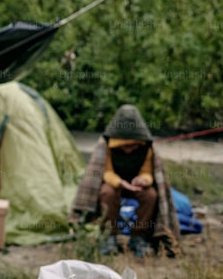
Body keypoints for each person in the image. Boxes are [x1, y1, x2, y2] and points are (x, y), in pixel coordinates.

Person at [70, 104, 180, 258]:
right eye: (125, 145)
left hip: (136, 185)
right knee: (107, 193)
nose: (129, 149)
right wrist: (119, 182)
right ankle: (109, 236)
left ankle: (139, 236)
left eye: (132, 145)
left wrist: (143, 180)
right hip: (114, 184)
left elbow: (148, 172)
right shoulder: (107, 146)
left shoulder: (146, 148)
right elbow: (106, 172)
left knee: (151, 195)